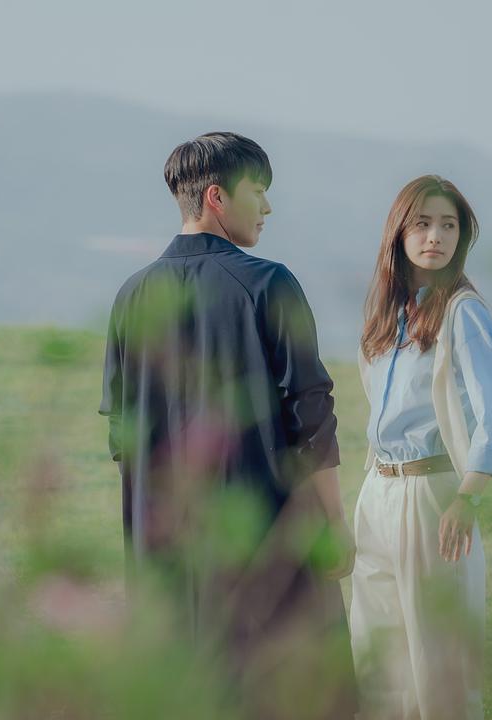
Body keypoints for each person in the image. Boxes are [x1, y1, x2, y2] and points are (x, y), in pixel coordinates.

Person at [99, 132, 357, 719]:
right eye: (257, 192)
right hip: (267, 542)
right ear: (217, 197)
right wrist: (333, 523)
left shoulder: (131, 296)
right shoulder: (269, 284)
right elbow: (312, 416)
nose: (267, 207)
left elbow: (122, 437)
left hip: (167, 552)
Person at [350, 175, 492, 720]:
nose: (435, 237)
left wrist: (467, 498)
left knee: (439, 661)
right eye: (422, 224)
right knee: (379, 658)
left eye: (448, 226)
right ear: (399, 233)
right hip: (378, 490)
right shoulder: (387, 317)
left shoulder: (462, 312)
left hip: (434, 493)